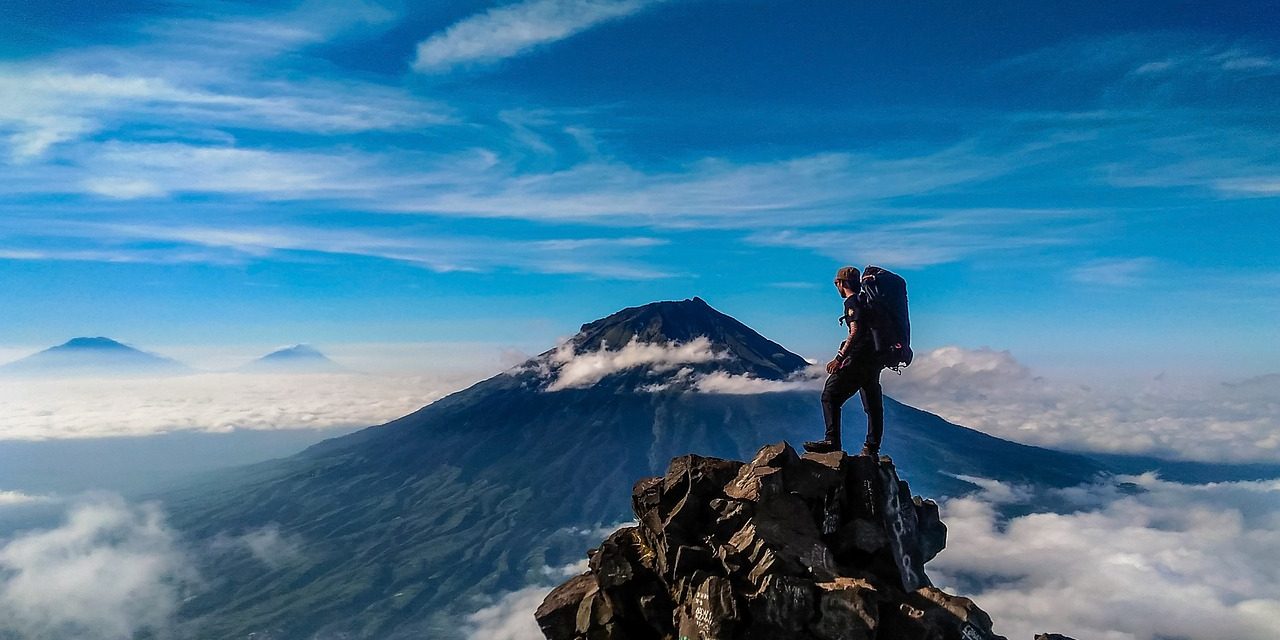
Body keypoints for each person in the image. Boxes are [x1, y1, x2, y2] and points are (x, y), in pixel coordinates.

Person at [804, 266, 884, 457]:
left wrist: (839, 358)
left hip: (856, 359)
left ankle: (832, 441)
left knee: (829, 396)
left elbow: (854, 331)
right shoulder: (868, 300)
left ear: (842, 283)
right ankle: (872, 448)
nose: (836, 287)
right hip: (874, 360)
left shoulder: (852, 302)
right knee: (872, 405)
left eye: (836, 284)